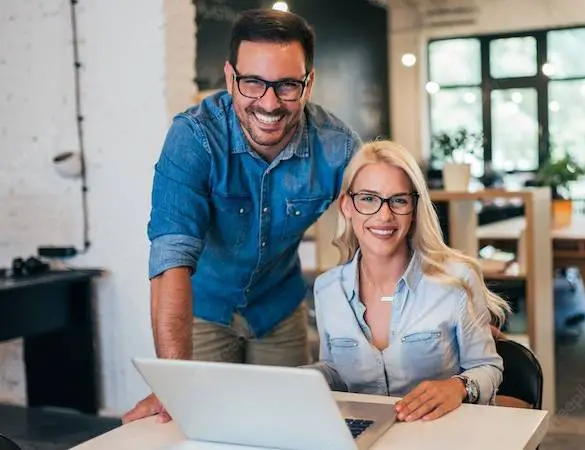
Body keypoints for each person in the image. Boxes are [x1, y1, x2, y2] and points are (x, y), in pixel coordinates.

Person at [122, 9, 361, 423]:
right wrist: (174, 382)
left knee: (287, 426)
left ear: (309, 82)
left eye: (287, 85)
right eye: (253, 83)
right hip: (202, 308)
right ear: (230, 77)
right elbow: (170, 260)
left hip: (279, 307)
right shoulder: (194, 137)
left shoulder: (337, 146)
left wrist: (458, 306)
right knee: (205, 425)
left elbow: (391, 226)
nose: (269, 104)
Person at [306, 140, 510, 422]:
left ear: (414, 210)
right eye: (368, 198)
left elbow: (487, 366)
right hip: (366, 437)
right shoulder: (327, 289)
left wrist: (458, 387)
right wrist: (303, 378)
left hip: (440, 436)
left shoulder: (457, 280)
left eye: (398, 200)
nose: (384, 215)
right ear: (347, 206)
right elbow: (336, 372)